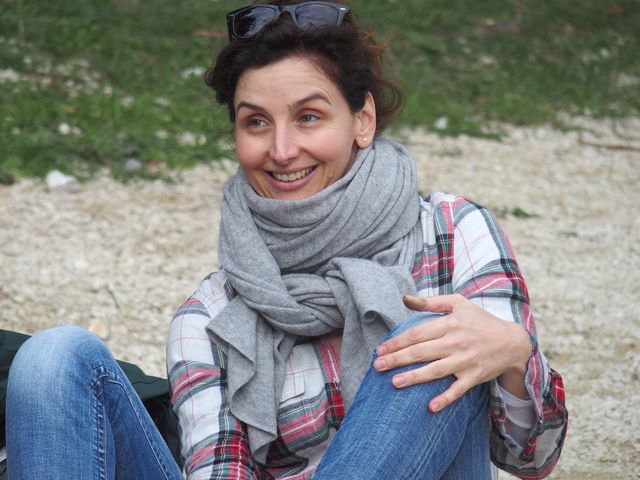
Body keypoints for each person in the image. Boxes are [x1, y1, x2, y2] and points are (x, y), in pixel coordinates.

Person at [5, 1, 567, 479]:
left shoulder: (453, 232)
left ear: (363, 120)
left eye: (308, 117)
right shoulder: (210, 317)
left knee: (430, 342)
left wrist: (512, 354)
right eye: (256, 122)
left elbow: (533, 459)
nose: (281, 150)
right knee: (54, 358)